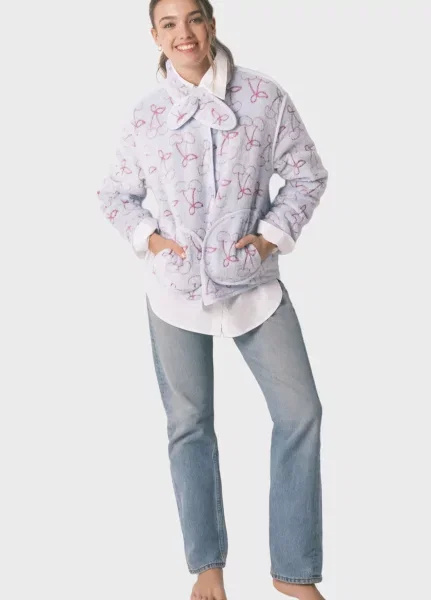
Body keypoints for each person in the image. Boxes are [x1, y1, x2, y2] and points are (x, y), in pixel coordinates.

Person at [97, 1, 329, 598]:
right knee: (189, 425)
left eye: (194, 18)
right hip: (174, 292)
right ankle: (208, 566)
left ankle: (292, 572)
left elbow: (308, 174)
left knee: (300, 413)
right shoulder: (146, 116)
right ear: (155, 35)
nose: (184, 33)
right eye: (169, 24)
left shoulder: (263, 98)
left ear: (211, 23)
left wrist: (269, 236)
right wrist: (151, 240)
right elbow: (115, 193)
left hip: (254, 286)